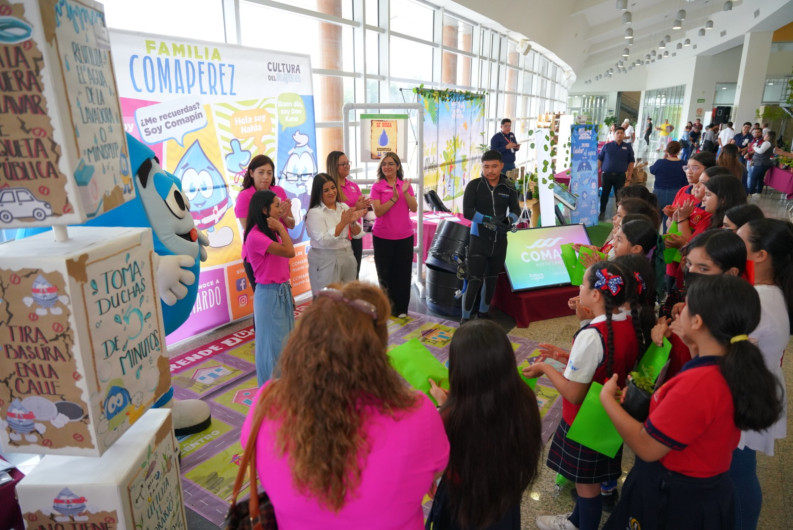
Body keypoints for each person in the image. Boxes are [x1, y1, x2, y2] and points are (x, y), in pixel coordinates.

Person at [240, 281, 449, 527]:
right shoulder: (419, 415)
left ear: (303, 342)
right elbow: (436, 470)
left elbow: (253, 451)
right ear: (378, 351)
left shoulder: (266, 403)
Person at [601, 274, 783, 530]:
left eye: (685, 306)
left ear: (697, 321)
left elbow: (647, 447)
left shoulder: (697, 384)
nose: (678, 311)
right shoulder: (732, 366)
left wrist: (607, 399)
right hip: (706, 489)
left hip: (675, 496)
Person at [526, 262, 639, 530]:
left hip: (583, 421)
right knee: (590, 481)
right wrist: (566, 356)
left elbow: (573, 394)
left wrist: (545, 368)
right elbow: (603, 365)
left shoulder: (591, 337)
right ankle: (575, 520)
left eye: (583, 283)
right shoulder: (626, 322)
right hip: (606, 417)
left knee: (587, 487)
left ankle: (582, 525)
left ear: (596, 295)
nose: (579, 287)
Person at [426, 320, 542, 530]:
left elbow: (434, 466)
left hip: (461, 503)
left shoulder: (450, 417)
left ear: (461, 371)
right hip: (505, 497)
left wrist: (443, 407)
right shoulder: (525, 397)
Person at [733, 219, 792, 529]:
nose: (731, 242)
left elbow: (732, 352)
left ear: (761, 254)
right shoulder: (766, 291)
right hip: (753, 388)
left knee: (738, 472)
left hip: (747, 394)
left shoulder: (759, 301)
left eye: (739, 239)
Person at [461, 150, 520, 323]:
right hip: (478, 239)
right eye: (486, 167)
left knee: (492, 278)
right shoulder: (474, 185)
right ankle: (465, 317)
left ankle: (484, 312)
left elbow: (516, 209)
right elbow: (467, 212)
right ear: (482, 167)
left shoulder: (509, 186)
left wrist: (510, 220)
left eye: (494, 166)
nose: (490, 171)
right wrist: (487, 219)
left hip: (500, 240)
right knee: (474, 279)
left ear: (501, 166)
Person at [243, 190, 295, 384]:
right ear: (265, 210)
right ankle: (271, 393)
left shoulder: (270, 230)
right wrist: (281, 228)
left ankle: (284, 389)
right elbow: (289, 252)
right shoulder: (256, 236)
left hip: (281, 291)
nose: (280, 208)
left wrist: (280, 225)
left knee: (285, 344)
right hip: (269, 296)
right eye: (276, 205)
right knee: (272, 348)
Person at [235, 155, 295, 290]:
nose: (266, 177)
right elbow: (250, 230)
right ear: (251, 173)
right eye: (261, 172)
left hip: (280, 250)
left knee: (284, 294)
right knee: (266, 296)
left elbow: (291, 224)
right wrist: (277, 221)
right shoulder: (245, 196)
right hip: (259, 255)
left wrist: (284, 216)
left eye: (269, 173)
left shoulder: (278, 191)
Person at [370, 152, 418, 317]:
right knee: (385, 275)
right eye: (384, 164)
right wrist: (393, 198)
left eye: (391, 163)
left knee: (403, 274)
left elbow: (414, 208)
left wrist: (404, 193)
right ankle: (388, 309)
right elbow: (378, 212)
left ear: (398, 166)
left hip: (405, 237)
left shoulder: (405, 185)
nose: (387, 167)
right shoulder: (377, 186)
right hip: (383, 238)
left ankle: (402, 309)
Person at [305, 173, 364, 294]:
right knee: (328, 301)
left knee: (349, 297)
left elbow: (357, 234)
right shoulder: (315, 213)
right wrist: (343, 223)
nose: (331, 192)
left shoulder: (343, 206)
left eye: (333, 188)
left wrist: (352, 223)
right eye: (326, 190)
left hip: (347, 255)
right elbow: (323, 241)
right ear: (318, 193)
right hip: (325, 259)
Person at [326, 150, 370, 276]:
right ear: (334, 166)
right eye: (343, 164)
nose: (347, 166)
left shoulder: (353, 185)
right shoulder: (330, 188)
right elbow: (332, 213)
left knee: (354, 274)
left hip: (355, 234)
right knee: (339, 276)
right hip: (339, 237)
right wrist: (356, 207)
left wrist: (364, 206)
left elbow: (362, 210)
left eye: (348, 163)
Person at [597, 127, 635, 222]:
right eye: (618, 133)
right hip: (606, 175)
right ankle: (602, 212)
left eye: (622, 133)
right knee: (604, 195)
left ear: (624, 135)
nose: (619, 135)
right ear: (614, 134)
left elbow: (631, 162)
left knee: (619, 197)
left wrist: (629, 176)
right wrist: (594, 172)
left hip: (620, 176)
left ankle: (619, 215)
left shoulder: (628, 147)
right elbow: (600, 159)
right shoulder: (607, 146)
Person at [650, 141, 687, 228]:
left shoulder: (660, 162)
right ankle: (666, 240)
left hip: (658, 193)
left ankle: (653, 240)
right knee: (670, 222)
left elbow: (652, 170)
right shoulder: (684, 164)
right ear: (679, 151)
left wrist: (664, 158)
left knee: (655, 221)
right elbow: (685, 182)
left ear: (667, 150)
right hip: (676, 194)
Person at [747, 130, 776, 198]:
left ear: (768, 136)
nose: (764, 136)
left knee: (754, 178)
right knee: (760, 178)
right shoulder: (769, 143)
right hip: (762, 163)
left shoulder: (767, 143)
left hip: (761, 163)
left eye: (765, 135)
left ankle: (751, 192)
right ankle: (758, 192)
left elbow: (760, 151)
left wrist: (754, 147)